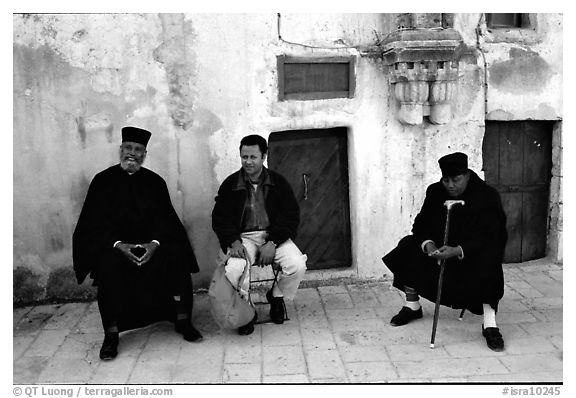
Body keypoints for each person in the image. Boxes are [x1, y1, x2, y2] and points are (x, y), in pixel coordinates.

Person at [73, 126, 203, 361]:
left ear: (144, 154)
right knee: (106, 266)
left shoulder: (155, 182)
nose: (132, 153)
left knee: (176, 255)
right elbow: (92, 224)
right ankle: (111, 335)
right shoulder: (102, 181)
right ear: (121, 150)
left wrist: (154, 244)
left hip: (151, 246)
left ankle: (183, 321)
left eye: (138, 150)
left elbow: (167, 221)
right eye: (128, 148)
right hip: (116, 247)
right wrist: (118, 245)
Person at [382, 152, 508, 351]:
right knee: (407, 247)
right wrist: (429, 245)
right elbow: (420, 224)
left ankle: (490, 324)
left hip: (470, 255)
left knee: (489, 260)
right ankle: (413, 306)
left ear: (466, 175)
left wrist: (458, 250)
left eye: (456, 180)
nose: (450, 185)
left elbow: (495, 236)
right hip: (439, 253)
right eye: (446, 180)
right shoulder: (435, 192)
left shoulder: (487, 195)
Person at [212, 134, 307, 335]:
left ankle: (276, 295)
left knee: (297, 265)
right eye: (244, 156)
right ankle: (246, 311)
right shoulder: (230, 184)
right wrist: (233, 241)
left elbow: (291, 216)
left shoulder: (278, 182)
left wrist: (273, 241)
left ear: (263, 156)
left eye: (253, 157)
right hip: (243, 238)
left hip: (273, 236)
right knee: (235, 269)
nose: (248, 161)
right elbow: (220, 218)